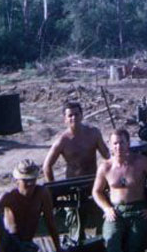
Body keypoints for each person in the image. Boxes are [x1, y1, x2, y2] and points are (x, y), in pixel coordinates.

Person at [42, 101, 110, 242]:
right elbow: (47, 166)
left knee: (101, 216)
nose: (74, 118)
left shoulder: (93, 133)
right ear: (65, 119)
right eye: (70, 115)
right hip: (72, 186)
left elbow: (108, 157)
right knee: (75, 222)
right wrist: (54, 189)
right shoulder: (62, 140)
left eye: (76, 114)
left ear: (82, 115)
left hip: (93, 182)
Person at [92, 128, 147, 252]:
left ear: (128, 143)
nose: (118, 147)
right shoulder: (106, 167)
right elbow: (96, 191)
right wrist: (106, 208)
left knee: (135, 247)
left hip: (138, 211)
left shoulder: (140, 162)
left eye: (122, 142)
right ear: (110, 146)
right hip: (116, 212)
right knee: (111, 242)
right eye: (115, 143)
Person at [0, 159, 60, 252]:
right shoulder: (9, 196)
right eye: (26, 181)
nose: (30, 184)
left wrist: (58, 248)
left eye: (32, 180)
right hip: (9, 241)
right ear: (17, 181)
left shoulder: (42, 193)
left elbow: (51, 223)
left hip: (26, 244)